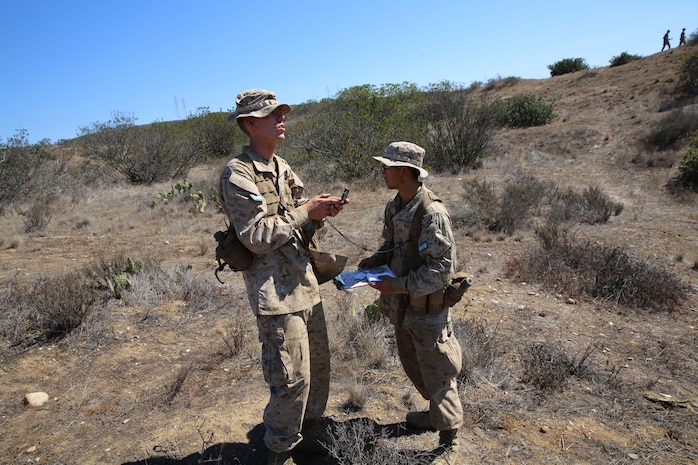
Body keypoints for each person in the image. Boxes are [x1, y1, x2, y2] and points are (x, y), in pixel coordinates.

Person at [219, 89, 347, 465]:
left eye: (281, 113)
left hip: (305, 284)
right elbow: (257, 237)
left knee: (318, 372)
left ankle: (307, 439)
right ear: (249, 124)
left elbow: (301, 228)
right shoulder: (237, 173)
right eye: (271, 114)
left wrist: (320, 214)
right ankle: (277, 451)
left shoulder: (283, 167)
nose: (281, 119)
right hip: (274, 294)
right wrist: (306, 210)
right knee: (290, 381)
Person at [358, 142, 464, 465]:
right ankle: (435, 414)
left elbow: (441, 272)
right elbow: (391, 247)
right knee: (414, 365)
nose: (382, 172)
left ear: (405, 172)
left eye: (387, 167)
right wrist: (374, 261)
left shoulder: (432, 213)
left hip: (428, 312)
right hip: (402, 310)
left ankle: (449, 441)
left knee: (439, 373)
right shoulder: (394, 207)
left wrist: (398, 284)